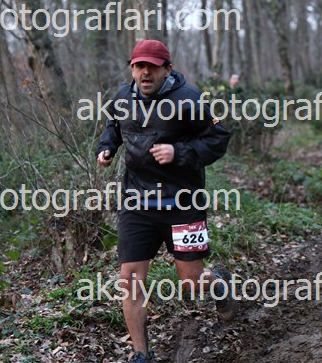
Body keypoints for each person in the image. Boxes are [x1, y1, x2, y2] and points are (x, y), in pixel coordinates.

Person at [96, 39, 238, 363]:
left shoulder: (190, 99)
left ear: (167, 69)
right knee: (129, 279)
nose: (145, 73)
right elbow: (113, 126)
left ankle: (218, 284)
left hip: (183, 202)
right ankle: (140, 354)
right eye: (139, 66)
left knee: (191, 283)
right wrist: (107, 148)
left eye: (152, 67)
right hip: (137, 202)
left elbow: (219, 138)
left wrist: (179, 152)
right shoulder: (122, 97)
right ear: (132, 69)